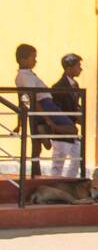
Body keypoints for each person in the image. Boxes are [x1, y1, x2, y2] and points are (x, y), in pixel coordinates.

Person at [14, 42, 73, 177]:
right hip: (43, 105)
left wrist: (19, 122)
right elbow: (30, 97)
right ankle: (49, 129)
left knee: (37, 146)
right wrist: (47, 118)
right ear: (23, 59)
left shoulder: (28, 74)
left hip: (39, 107)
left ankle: (36, 172)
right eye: (33, 58)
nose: (35, 61)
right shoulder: (23, 76)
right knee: (72, 128)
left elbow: (24, 98)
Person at [50, 52, 83, 178]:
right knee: (58, 163)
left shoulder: (75, 85)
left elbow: (75, 105)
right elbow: (57, 109)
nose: (80, 69)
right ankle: (55, 185)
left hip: (72, 129)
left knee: (77, 158)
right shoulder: (58, 87)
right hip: (62, 131)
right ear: (69, 68)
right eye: (77, 66)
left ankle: (69, 182)